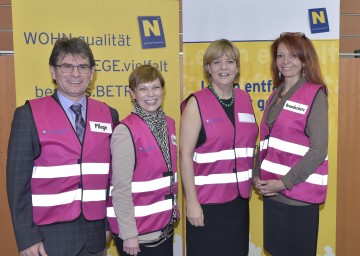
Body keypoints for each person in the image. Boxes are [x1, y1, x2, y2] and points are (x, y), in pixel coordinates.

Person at [6, 37, 119, 256]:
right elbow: (16, 185)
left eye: (83, 67)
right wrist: (26, 238)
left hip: (95, 237)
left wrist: (108, 224)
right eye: (67, 66)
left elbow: (113, 177)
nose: (76, 74)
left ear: (92, 72)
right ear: (52, 71)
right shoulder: (28, 115)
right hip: (48, 240)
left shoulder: (108, 114)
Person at [180, 39, 258, 256]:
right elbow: (185, 155)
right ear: (208, 68)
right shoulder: (196, 103)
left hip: (239, 203)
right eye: (217, 62)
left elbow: (248, 145)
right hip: (207, 204)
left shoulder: (244, 99)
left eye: (230, 62)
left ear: (237, 68)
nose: (224, 68)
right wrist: (192, 203)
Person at [253, 32, 328, 256]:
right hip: (274, 196)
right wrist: (258, 174)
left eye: (293, 55)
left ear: (304, 59)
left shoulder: (315, 94)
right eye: (280, 56)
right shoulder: (276, 94)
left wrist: (284, 183)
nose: (286, 61)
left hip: (298, 198)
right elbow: (266, 141)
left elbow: (318, 150)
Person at [107, 64, 179, 256]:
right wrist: (129, 234)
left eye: (155, 87)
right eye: (143, 89)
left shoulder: (169, 124)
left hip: (164, 228)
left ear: (163, 89)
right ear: (132, 94)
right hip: (138, 235)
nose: (151, 94)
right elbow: (120, 189)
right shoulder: (125, 131)